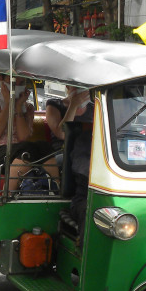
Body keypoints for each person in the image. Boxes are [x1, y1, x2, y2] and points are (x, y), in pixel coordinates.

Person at [0, 76, 57, 187]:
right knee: (27, 149)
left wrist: (18, 107)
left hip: (17, 151)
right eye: (13, 83)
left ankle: (56, 187)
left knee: (44, 146)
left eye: (21, 83)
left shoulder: (28, 108)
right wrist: (9, 104)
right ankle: (8, 192)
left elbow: (23, 137)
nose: (17, 87)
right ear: (2, 83)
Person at [61, 86, 95, 226]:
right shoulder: (85, 139)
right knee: (91, 212)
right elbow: (62, 134)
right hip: (86, 198)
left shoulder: (123, 140)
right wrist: (74, 104)